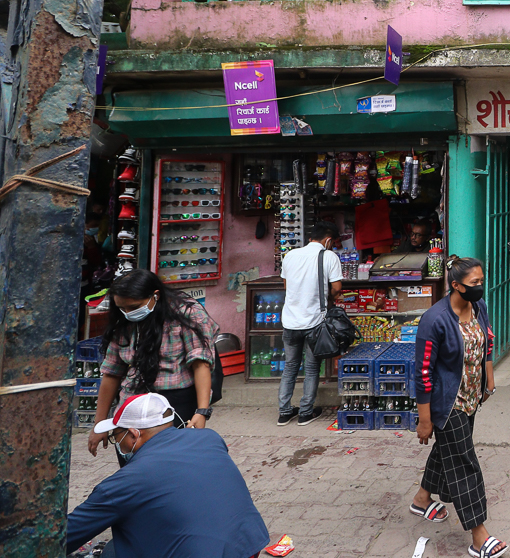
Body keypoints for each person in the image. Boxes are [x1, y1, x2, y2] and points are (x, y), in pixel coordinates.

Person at [69, 392, 269, 557]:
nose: (116, 443)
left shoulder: (125, 482)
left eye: (116, 436)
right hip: (249, 546)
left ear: (133, 435)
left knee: (113, 552)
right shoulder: (210, 438)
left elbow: (64, 536)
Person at [411, 256, 508, 558]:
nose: (480, 288)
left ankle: (422, 499)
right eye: (474, 284)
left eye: (482, 281)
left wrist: (488, 381)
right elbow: (423, 372)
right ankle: (479, 536)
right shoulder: (435, 319)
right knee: (465, 460)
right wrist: (425, 419)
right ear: (455, 285)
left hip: (471, 397)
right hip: (445, 402)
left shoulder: (479, 307)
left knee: (449, 449)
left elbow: (487, 343)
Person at [89, 270, 218, 463]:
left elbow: (200, 364)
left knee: (172, 464)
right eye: (122, 308)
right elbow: (111, 373)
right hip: (132, 400)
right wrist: (99, 424)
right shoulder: (122, 320)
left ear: (155, 296)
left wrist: (201, 411)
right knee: (133, 463)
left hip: (176, 402)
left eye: (134, 307)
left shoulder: (186, 313)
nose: (128, 313)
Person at [277, 222, 343, 426]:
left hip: (289, 321)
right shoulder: (329, 256)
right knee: (312, 368)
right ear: (328, 241)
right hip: (314, 322)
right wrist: (327, 298)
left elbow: (287, 286)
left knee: (290, 367)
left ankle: (284, 412)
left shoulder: (290, 255)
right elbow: (337, 288)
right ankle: (305, 412)